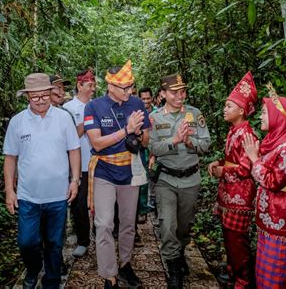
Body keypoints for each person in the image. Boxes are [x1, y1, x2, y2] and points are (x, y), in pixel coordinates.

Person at [3, 73, 81, 289]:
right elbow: (10, 158)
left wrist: (75, 180)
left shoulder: (63, 118)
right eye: (34, 96)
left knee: (55, 244)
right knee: (27, 242)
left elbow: (74, 150)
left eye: (43, 95)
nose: (40, 100)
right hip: (28, 196)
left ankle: (52, 282)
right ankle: (33, 269)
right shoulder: (17, 122)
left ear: (50, 93)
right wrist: (10, 190)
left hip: (57, 195)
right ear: (27, 97)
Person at [84, 60, 150, 289]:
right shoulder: (94, 107)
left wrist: (139, 134)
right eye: (125, 87)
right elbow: (97, 143)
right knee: (103, 223)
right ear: (110, 86)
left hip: (130, 169)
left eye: (131, 86)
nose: (129, 91)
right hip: (104, 170)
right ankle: (109, 274)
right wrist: (126, 130)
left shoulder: (137, 104)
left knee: (128, 223)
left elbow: (146, 140)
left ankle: (125, 264)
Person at [242, 83, 286, 289]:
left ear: (277, 116)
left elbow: (272, 181)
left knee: (278, 270)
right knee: (265, 269)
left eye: (264, 112)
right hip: (268, 218)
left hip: (282, 217)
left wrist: (255, 160)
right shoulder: (274, 141)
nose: (261, 116)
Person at [148, 74, 211, 288]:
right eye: (174, 92)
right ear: (163, 94)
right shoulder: (155, 119)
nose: (179, 96)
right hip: (166, 180)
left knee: (183, 227)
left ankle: (180, 251)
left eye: (182, 91)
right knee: (167, 225)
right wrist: (173, 141)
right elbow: (152, 148)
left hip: (190, 180)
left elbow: (206, 145)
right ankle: (173, 269)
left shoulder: (194, 114)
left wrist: (189, 141)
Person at [208, 71, 258, 288]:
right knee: (229, 239)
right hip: (229, 193)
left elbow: (246, 168)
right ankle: (232, 272)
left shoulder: (247, 134)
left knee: (238, 241)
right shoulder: (233, 131)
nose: (224, 109)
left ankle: (243, 281)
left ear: (241, 110)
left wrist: (222, 172)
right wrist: (218, 162)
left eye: (228, 106)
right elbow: (232, 159)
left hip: (240, 195)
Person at [63, 69, 97, 258]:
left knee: (101, 203)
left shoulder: (98, 105)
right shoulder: (68, 108)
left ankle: (101, 235)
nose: (93, 89)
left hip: (98, 163)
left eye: (94, 85)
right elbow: (70, 137)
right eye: (89, 85)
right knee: (79, 205)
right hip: (79, 165)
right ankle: (83, 240)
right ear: (79, 85)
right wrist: (87, 122)